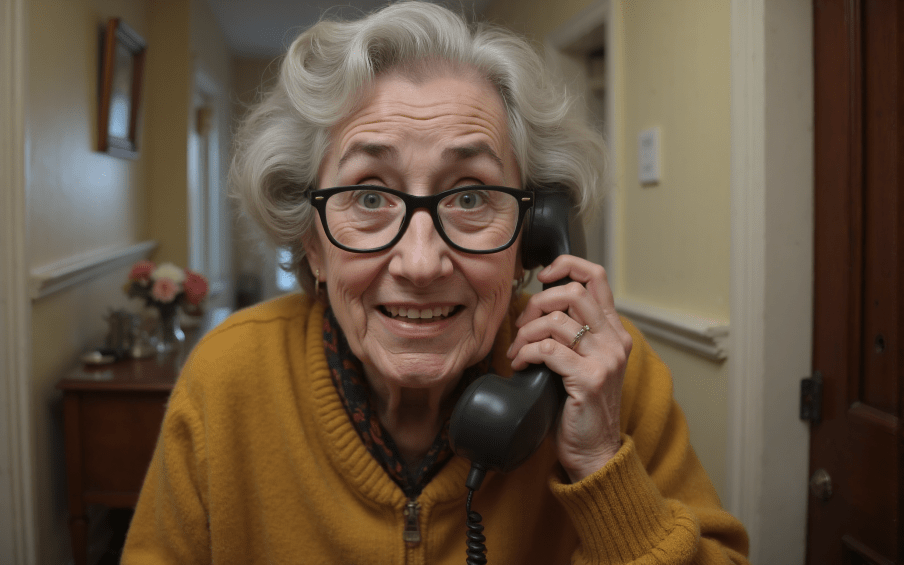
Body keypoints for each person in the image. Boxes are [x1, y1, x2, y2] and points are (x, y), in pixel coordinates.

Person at [121, 2, 749, 563]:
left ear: (531, 238)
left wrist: (602, 467)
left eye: (471, 195)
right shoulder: (226, 379)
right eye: (369, 196)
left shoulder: (611, 379)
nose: (420, 264)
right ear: (310, 242)